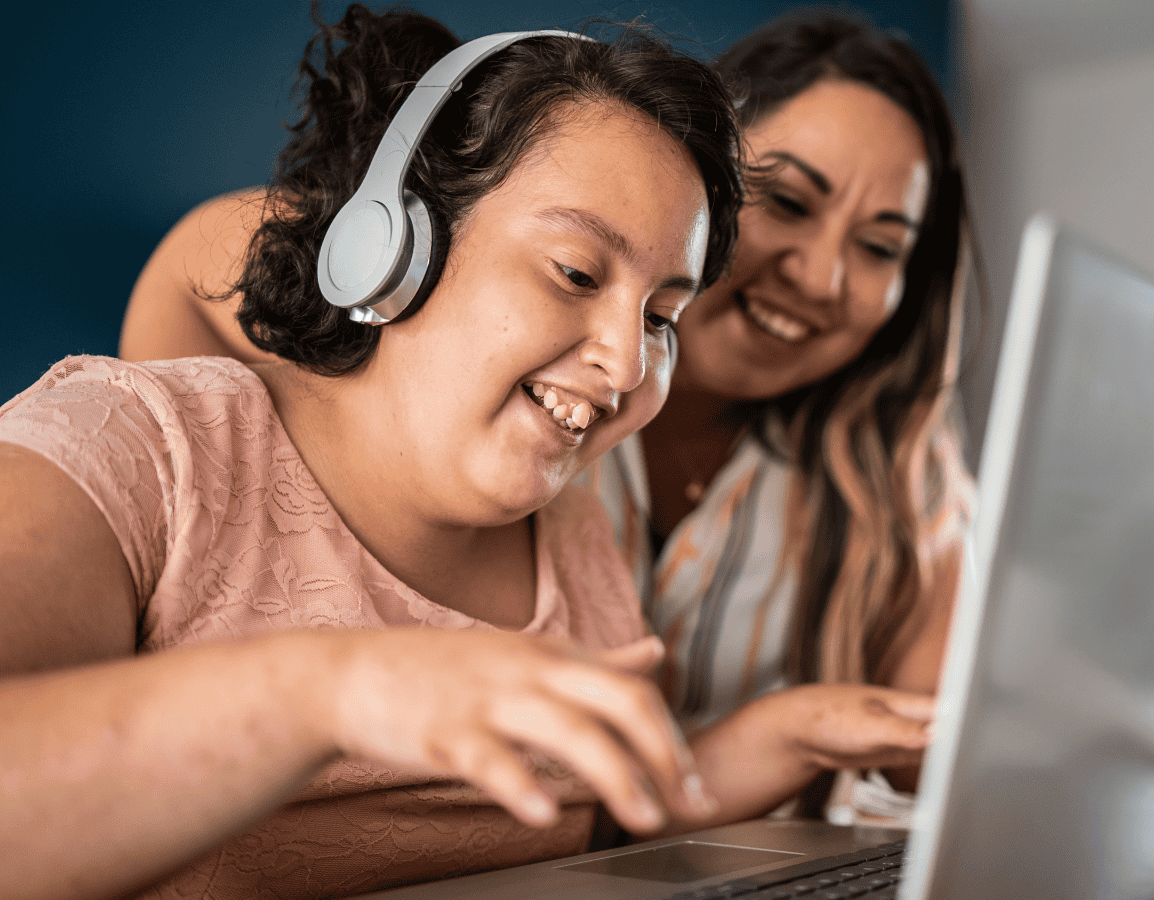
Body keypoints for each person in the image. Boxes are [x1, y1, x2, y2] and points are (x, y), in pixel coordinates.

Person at [120, 7, 971, 819]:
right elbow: (217, 271)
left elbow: (926, 753)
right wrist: (177, 520)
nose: (822, 276)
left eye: (880, 247)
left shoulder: (890, 471)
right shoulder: (463, 380)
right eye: (787, 203)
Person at [0, 7, 760, 899]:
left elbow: (596, 840)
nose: (628, 364)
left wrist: (788, 738)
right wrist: (338, 689)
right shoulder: (131, 447)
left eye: (661, 317)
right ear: (395, 247)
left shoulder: (575, 537)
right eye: (577, 274)